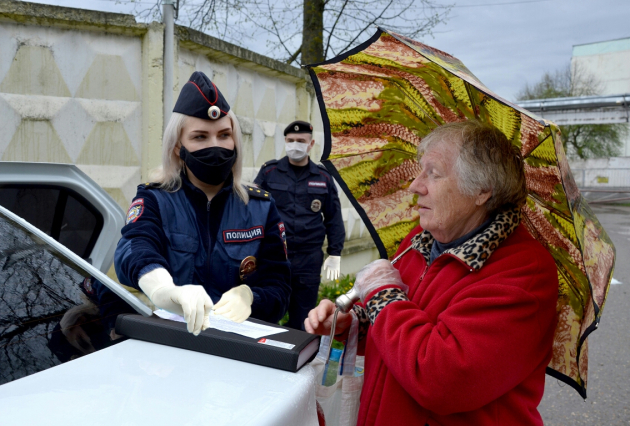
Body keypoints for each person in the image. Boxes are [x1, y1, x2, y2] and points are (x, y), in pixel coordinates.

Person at [305, 120, 559, 426]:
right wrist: (353, 323)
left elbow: (440, 378)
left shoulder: (524, 273)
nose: (415, 185)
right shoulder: (421, 239)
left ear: (481, 190)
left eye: (433, 173)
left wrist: (381, 295)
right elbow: (401, 326)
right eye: (419, 170)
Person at [115, 72, 291, 336]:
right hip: (174, 341)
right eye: (200, 137)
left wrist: (252, 296)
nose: (216, 146)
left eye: (224, 135)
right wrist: (165, 290)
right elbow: (135, 249)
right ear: (178, 147)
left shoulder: (261, 207)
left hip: (240, 348)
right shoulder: (155, 200)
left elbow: (280, 286)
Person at [254, 121, 345, 330]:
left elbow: (333, 217)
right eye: (291, 140)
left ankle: (297, 359)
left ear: (311, 144)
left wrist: (335, 253)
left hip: (308, 259)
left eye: (301, 141)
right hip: (273, 256)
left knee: (303, 319)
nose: (295, 145)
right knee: (266, 315)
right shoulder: (269, 172)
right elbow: (253, 210)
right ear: (285, 142)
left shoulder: (322, 178)